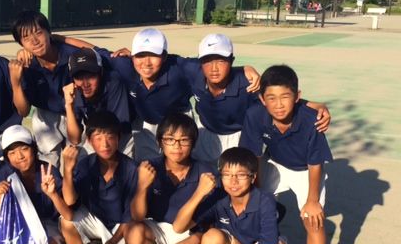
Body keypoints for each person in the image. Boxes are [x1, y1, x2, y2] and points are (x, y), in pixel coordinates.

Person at [61, 28, 261, 161]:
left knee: (181, 164)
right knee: (148, 165)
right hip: (146, 124)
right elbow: (92, 50)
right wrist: (58, 38)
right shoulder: (123, 64)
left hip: (178, 120)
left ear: (164, 56)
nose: (146, 63)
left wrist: (243, 69)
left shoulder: (179, 67)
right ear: (132, 55)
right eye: (140, 55)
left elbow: (212, 66)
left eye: (154, 55)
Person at [240, 65, 333, 244]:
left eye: (285, 97)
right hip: (275, 164)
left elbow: (315, 163)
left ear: (297, 96)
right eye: (271, 98)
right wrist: (256, 195)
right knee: (252, 207)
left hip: (305, 170)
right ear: (262, 99)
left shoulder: (312, 119)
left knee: (313, 219)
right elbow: (253, 157)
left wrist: (312, 201)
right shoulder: (255, 115)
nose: (279, 104)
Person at [189, 33, 331, 167]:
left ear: (231, 60)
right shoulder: (193, 72)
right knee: (202, 173)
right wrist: (245, 67)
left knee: (234, 177)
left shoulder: (248, 84)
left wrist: (313, 105)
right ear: (199, 61)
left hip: (236, 136)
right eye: (207, 61)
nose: (214, 68)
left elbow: (275, 97)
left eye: (221, 60)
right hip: (205, 132)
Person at [127, 113, 218, 244]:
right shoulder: (149, 167)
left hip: (189, 232)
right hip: (157, 229)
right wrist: (142, 186)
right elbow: (137, 216)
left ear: (193, 143)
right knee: (133, 232)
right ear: (160, 142)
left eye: (184, 140)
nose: (176, 146)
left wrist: (196, 238)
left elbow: (215, 216)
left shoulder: (205, 172)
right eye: (170, 139)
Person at [0, 125, 73, 244]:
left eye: (24, 149)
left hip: (46, 222)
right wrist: (0, 197)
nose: (19, 156)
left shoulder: (48, 170)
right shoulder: (5, 172)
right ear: (6, 157)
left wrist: (52, 194)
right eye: (12, 153)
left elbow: (67, 214)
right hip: (16, 227)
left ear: (34, 148)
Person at [60, 111, 138, 244]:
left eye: (110, 137)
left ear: (118, 138)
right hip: (98, 222)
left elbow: (131, 216)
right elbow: (70, 202)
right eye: (98, 137)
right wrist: (68, 170)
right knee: (66, 220)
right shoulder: (85, 164)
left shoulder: (131, 168)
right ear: (89, 140)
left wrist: (112, 242)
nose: (105, 144)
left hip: (122, 226)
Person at [8, 11, 90, 166]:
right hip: (48, 115)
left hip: (78, 113)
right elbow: (24, 111)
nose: (34, 41)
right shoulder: (26, 66)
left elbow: (97, 53)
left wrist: (63, 39)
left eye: (38, 33)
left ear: (49, 32)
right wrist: (15, 82)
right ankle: (49, 174)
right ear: (21, 44)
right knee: (47, 159)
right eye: (26, 38)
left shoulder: (72, 55)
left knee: (82, 162)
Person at [62, 47, 133, 156]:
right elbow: (75, 139)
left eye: (90, 76)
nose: (85, 84)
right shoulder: (74, 91)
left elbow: (119, 131)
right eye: (79, 77)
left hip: (123, 130)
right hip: (97, 132)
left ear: (101, 73)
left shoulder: (113, 82)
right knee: (82, 160)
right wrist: (69, 105)